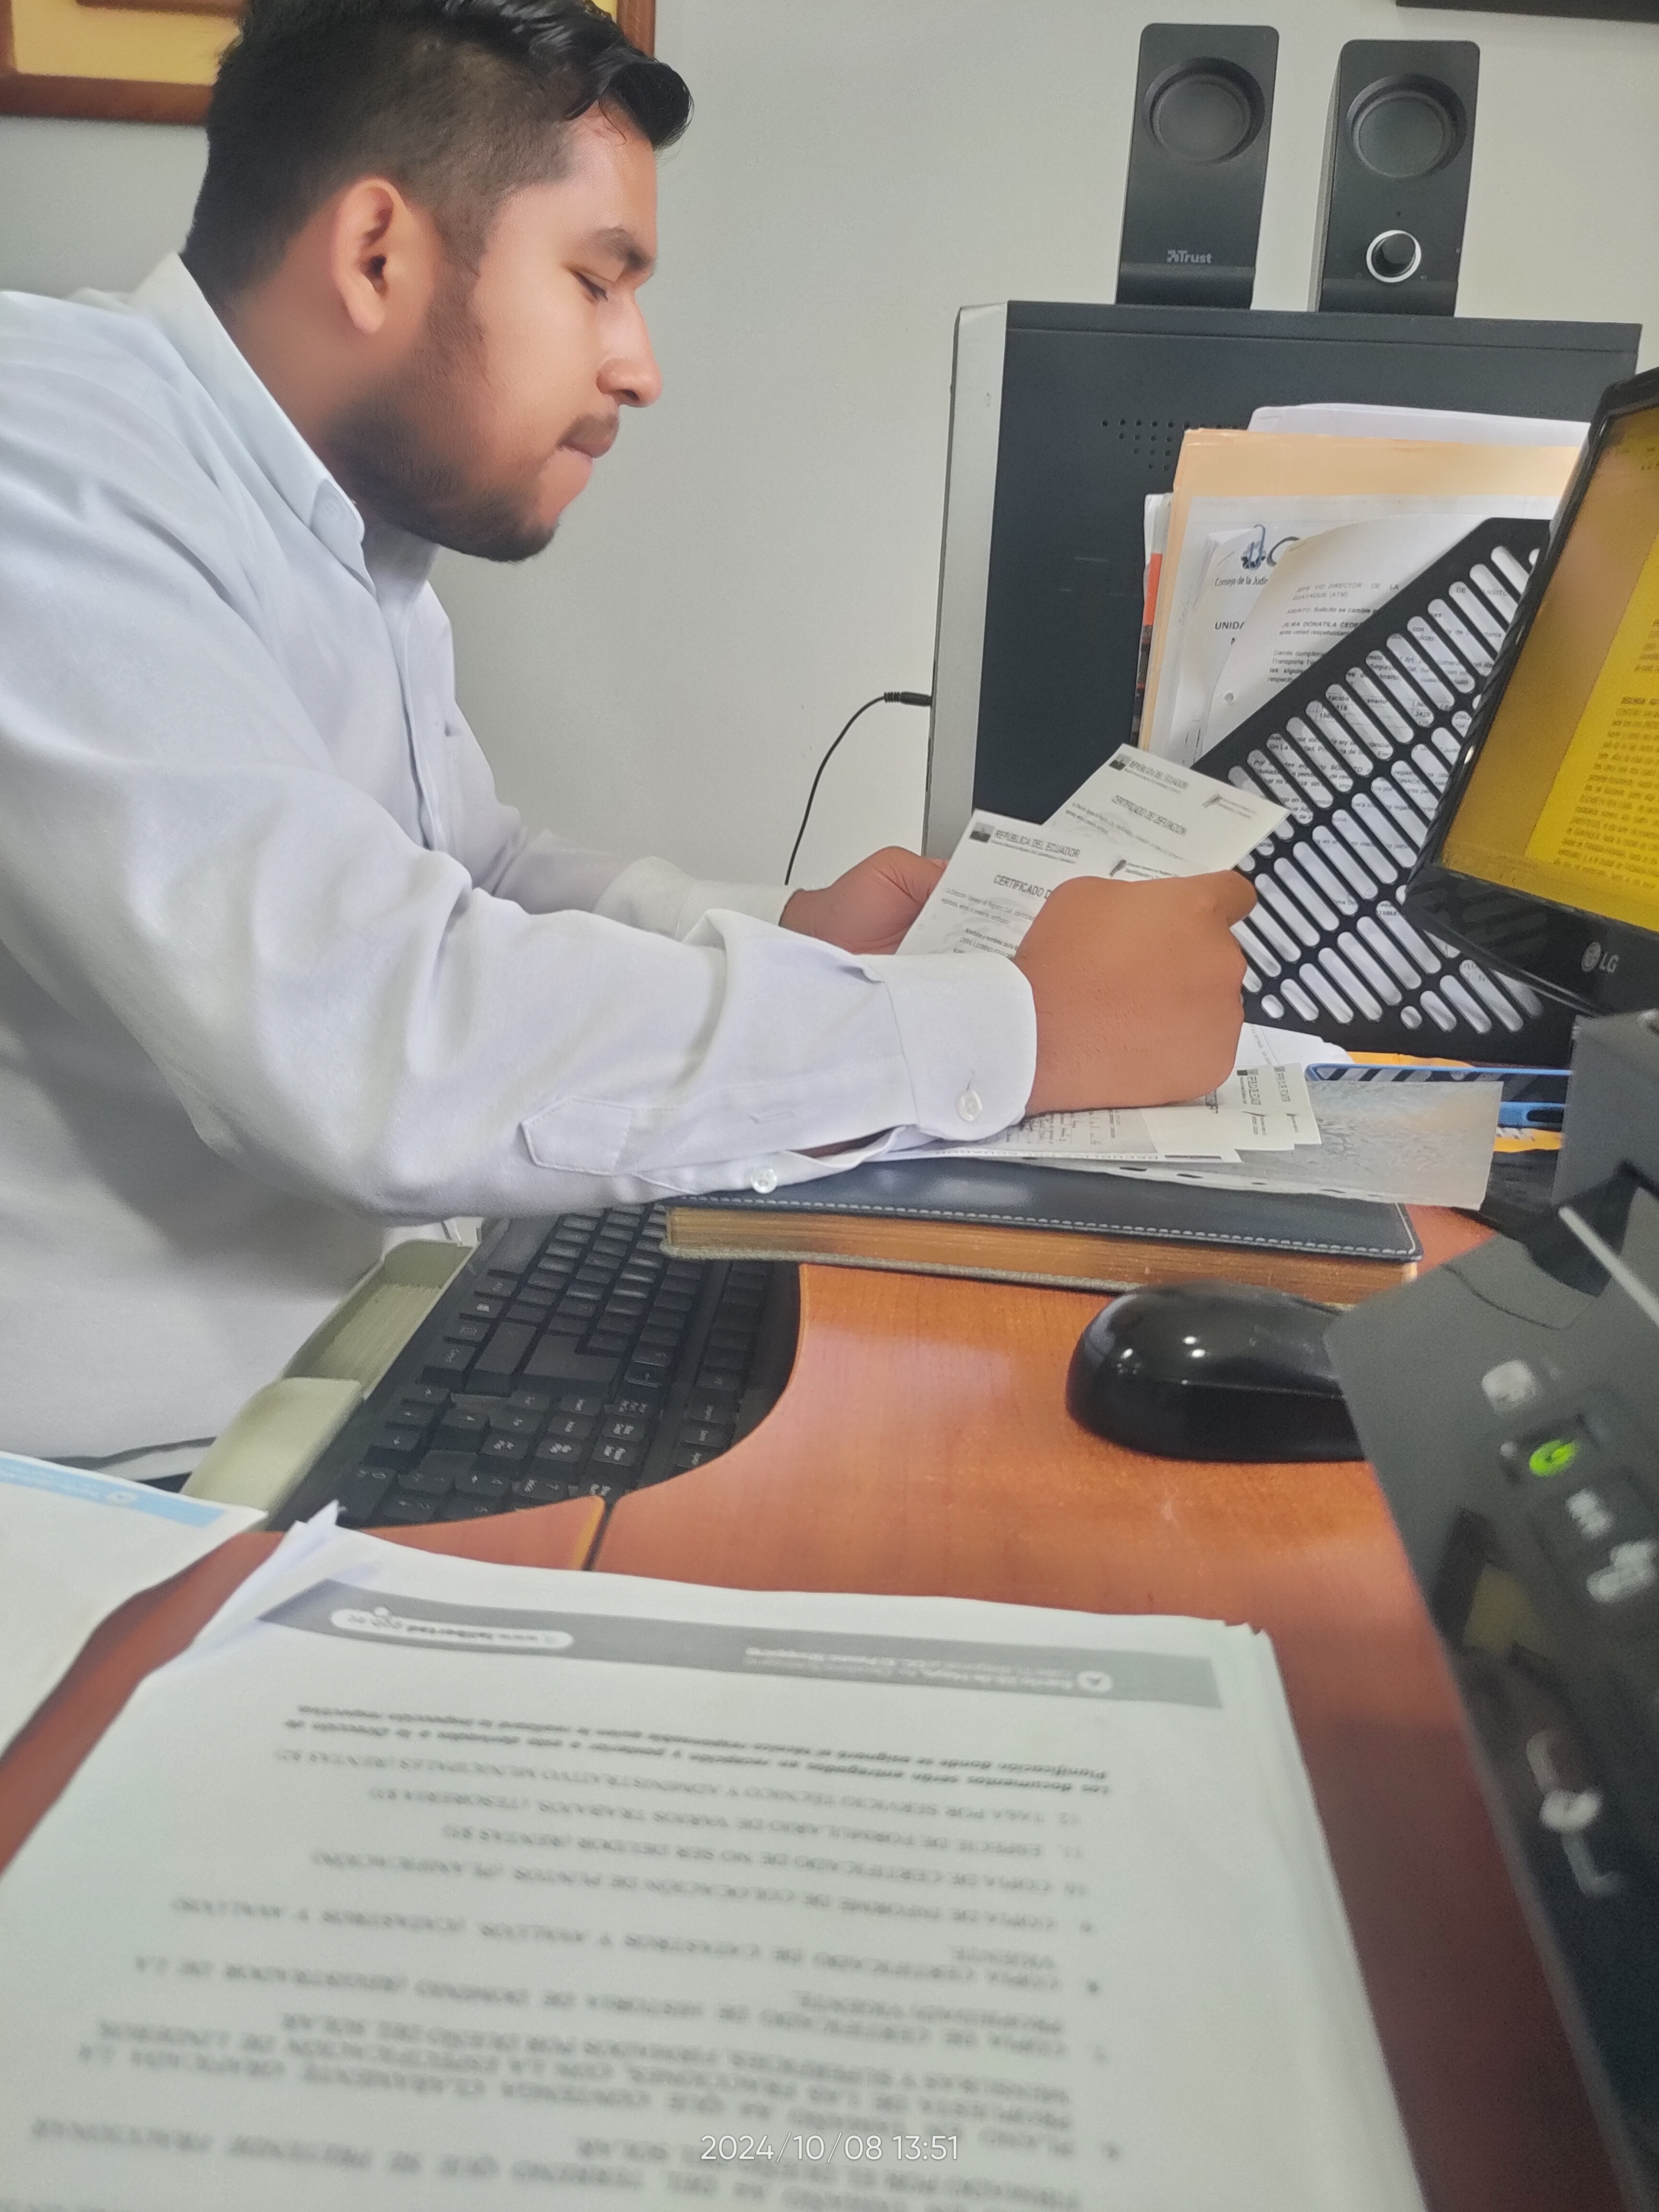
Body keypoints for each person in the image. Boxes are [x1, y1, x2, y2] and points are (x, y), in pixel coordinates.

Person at [0, 0, 1254, 1479]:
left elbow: (475, 872)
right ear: (377, 252)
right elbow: (379, 1037)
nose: (638, 365)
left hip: (333, 1389)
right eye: (597, 282)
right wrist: (1019, 1032)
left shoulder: (341, 534)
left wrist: (795, 931)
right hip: (117, 1507)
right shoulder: (48, 462)